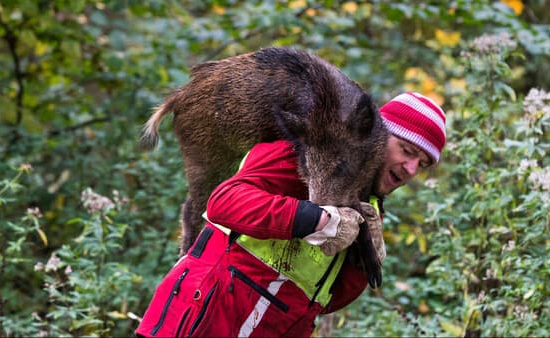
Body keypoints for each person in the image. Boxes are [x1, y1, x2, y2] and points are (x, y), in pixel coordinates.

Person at [135, 92, 446, 337]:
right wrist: (316, 220)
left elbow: (325, 300)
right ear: (377, 135)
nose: (411, 169)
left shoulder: (369, 204)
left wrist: (365, 259)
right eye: (406, 150)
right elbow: (224, 202)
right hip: (207, 316)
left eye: (423, 163)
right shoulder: (306, 153)